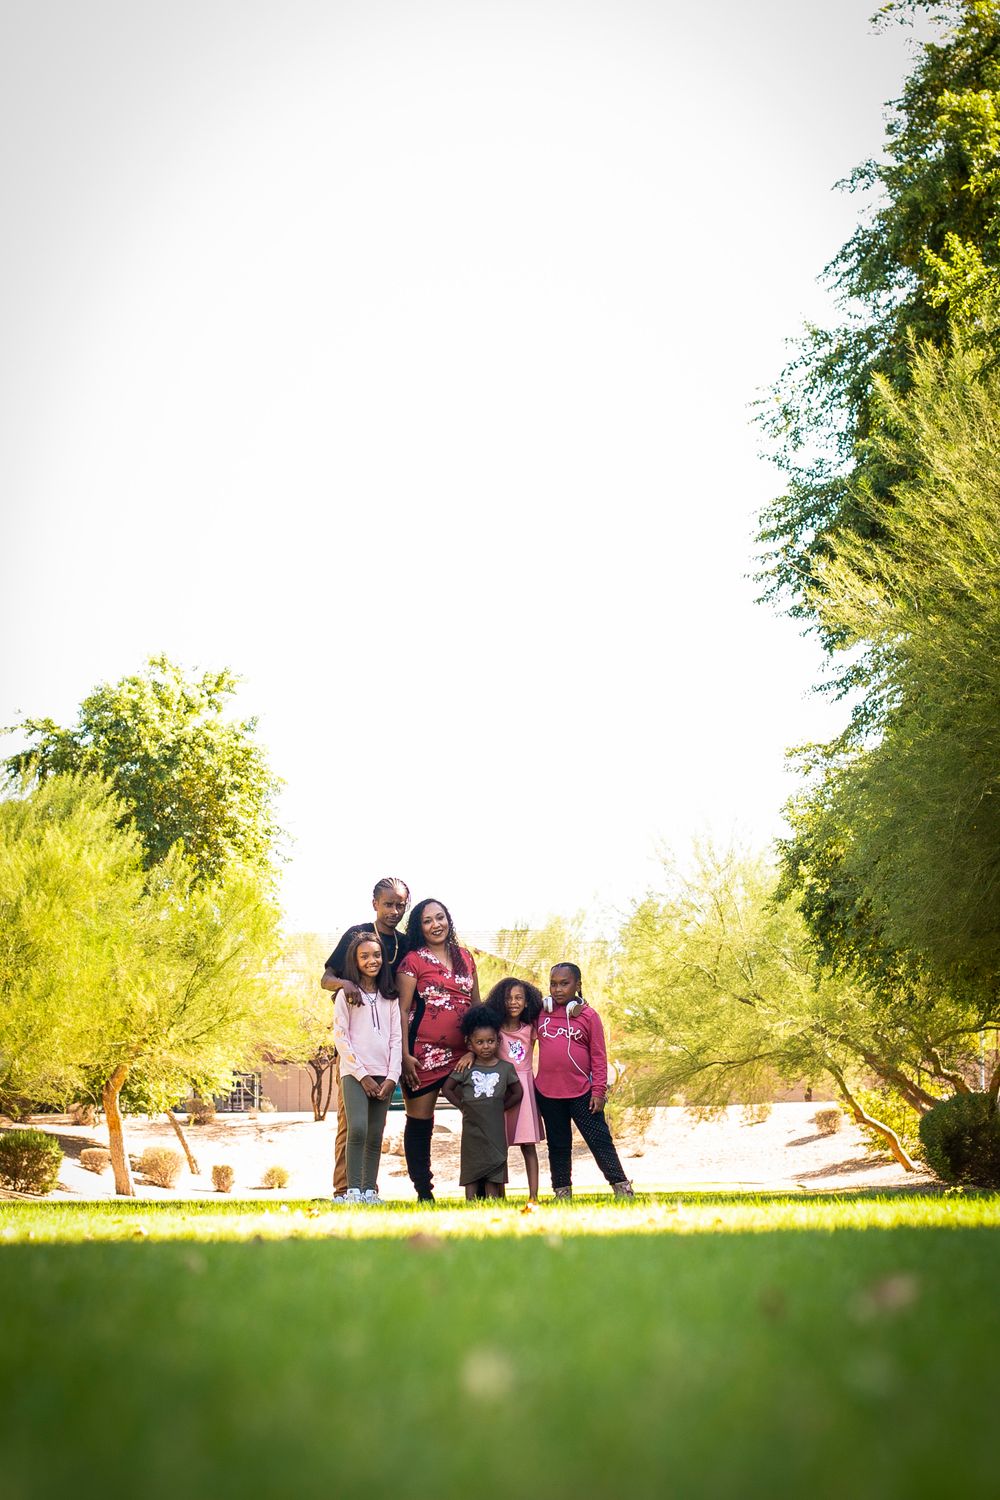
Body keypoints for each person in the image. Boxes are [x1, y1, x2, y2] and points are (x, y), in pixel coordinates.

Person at [321, 877, 410, 1200]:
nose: (394, 911)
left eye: (400, 905)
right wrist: (345, 985)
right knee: (352, 1124)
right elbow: (326, 978)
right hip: (354, 1047)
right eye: (388, 904)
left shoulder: (405, 942)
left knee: (375, 1129)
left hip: (388, 1045)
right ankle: (346, 1189)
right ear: (375, 904)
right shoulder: (357, 936)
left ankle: (368, 1187)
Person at [395, 896, 481, 1202]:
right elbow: (402, 1011)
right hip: (421, 1055)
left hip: (464, 1055)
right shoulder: (412, 961)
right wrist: (404, 1056)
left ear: (449, 920)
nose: (436, 925)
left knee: (480, 1114)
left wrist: (474, 1049)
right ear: (419, 927)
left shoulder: (466, 957)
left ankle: (481, 1188)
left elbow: (476, 1007)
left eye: (440, 917)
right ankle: (424, 1192)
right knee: (420, 1123)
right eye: (428, 920)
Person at [534, 962, 634, 1200]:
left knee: (600, 1141)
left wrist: (599, 1091)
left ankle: (622, 1188)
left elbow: (599, 1056)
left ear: (577, 985)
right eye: (553, 984)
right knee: (558, 1146)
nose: (557, 989)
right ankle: (562, 1193)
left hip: (583, 1093)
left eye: (564, 983)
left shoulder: (589, 1017)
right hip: (548, 1093)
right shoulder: (541, 1013)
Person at [332, 933, 401, 1204]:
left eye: (376, 955)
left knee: (375, 1133)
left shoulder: (390, 998)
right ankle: (353, 1191)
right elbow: (341, 1037)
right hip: (354, 1074)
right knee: (357, 1129)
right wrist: (361, 1075)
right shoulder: (346, 995)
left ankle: (370, 1191)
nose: (372, 961)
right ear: (355, 960)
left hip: (384, 1073)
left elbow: (396, 1038)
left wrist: (392, 1077)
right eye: (365, 956)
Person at [441, 1006, 522, 1199]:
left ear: (498, 1041)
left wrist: (500, 1106)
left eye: (490, 1041)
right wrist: (463, 1105)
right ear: (470, 1045)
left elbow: (518, 1092)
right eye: (480, 1042)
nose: (486, 1046)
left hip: (495, 1127)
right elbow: (447, 1089)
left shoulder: (506, 1068)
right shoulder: (466, 1067)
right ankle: (470, 1202)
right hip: (472, 1127)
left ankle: (494, 1200)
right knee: (472, 1163)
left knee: (495, 1162)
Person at [483, 977, 547, 1202]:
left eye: (519, 997)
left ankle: (533, 1196)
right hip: (501, 1090)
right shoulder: (495, 1029)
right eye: (508, 998)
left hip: (525, 1089)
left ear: (527, 1002)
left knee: (528, 1146)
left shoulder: (531, 1028)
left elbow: (551, 1011)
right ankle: (499, 1195)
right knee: (499, 1146)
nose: (513, 1002)